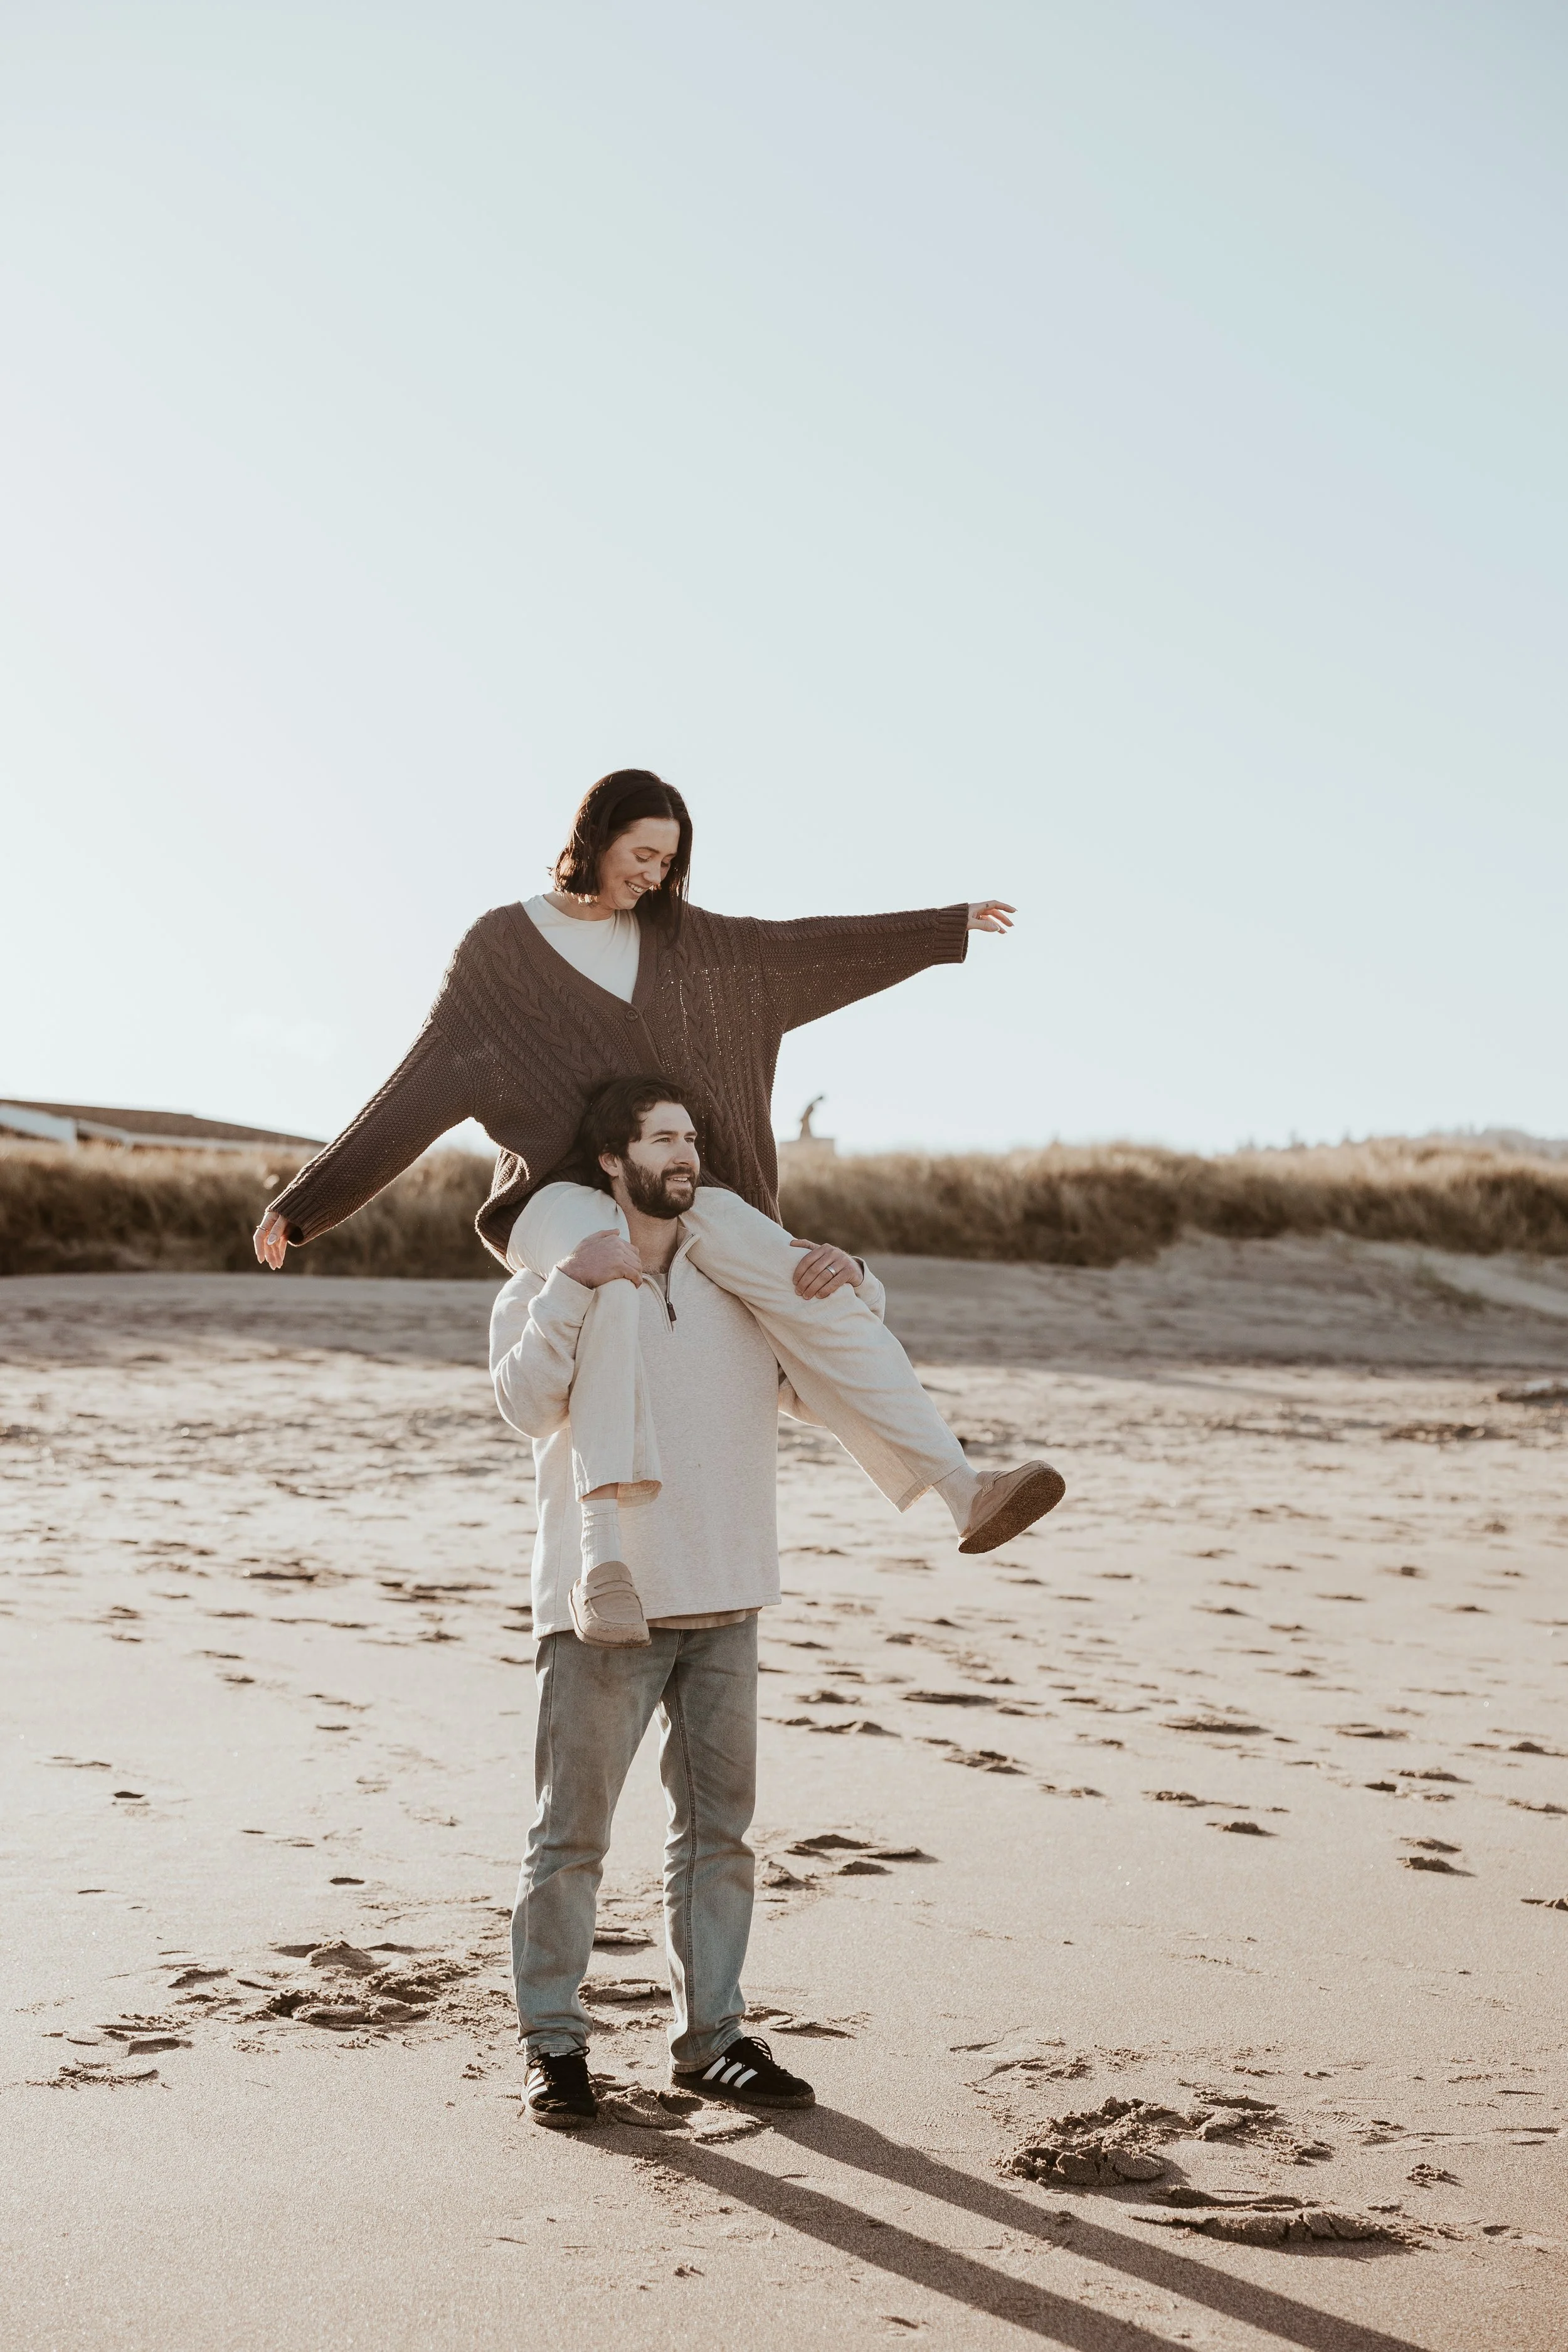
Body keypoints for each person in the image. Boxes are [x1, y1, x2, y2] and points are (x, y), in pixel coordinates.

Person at [253, 770, 1065, 1628]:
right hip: (556, 1192)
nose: (654, 873)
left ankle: (964, 1486)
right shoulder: (500, 951)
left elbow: (804, 949)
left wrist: (940, 927)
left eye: (669, 860)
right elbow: (420, 1081)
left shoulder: (692, 944)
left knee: (799, 1277)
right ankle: (604, 1563)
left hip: (669, 1179)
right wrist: (306, 1200)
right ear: (593, 838)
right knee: (607, 1260)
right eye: (641, 853)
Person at [491, 1076, 857, 2127]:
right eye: (662, 1138)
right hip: (604, 1604)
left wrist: (854, 1284)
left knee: (719, 1835)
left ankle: (713, 2041)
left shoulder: (736, 1284)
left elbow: (817, 1386)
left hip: (728, 1591)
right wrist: (573, 1283)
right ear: (612, 1161)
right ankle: (554, 2045)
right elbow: (522, 1405)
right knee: (571, 1837)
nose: (685, 1153)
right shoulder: (547, 1275)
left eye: (692, 1136)